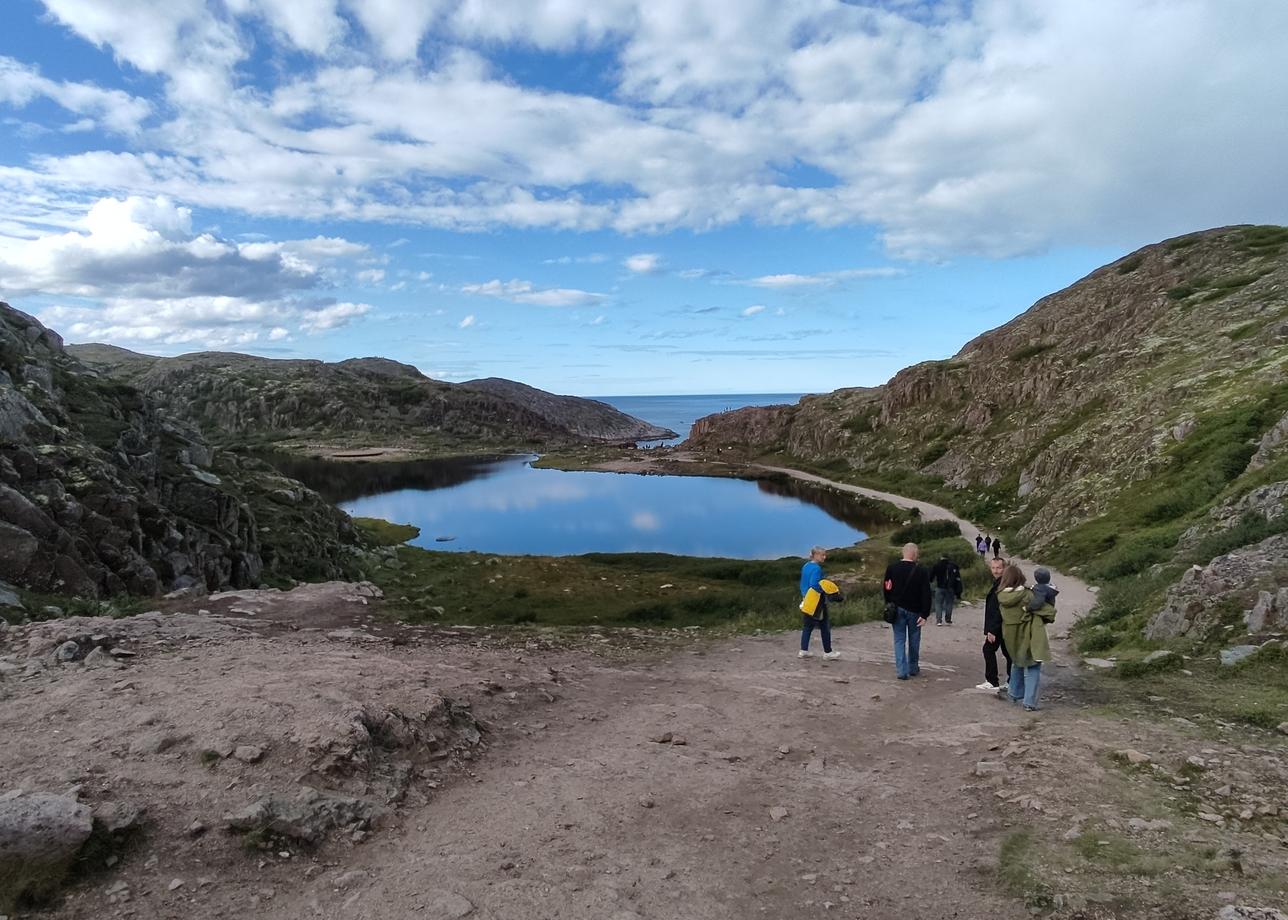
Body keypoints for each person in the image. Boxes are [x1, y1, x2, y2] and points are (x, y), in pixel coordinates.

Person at [997, 564, 1056, 711]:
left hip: (1011, 636)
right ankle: (1029, 702)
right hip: (1031, 635)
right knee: (1033, 666)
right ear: (1020, 578)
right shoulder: (1028, 595)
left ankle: (1013, 694)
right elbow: (1049, 612)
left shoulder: (1001, 597)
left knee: (1017, 662)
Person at [883, 543, 932, 680]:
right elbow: (926, 594)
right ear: (915, 554)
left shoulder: (892, 568)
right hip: (915, 611)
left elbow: (887, 588)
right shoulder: (921, 571)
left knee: (899, 640)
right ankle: (913, 668)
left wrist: (888, 603)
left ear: (903, 552)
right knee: (914, 640)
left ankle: (901, 671)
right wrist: (925, 614)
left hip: (897, 609)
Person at [975, 557, 1012, 690]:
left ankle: (992, 681)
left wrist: (992, 630)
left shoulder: (1002, 585)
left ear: (1004, 568)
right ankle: (1011, 681)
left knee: (989, 649)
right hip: (1002, 626)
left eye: (998, 568)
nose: (995, 571)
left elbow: (998, 610)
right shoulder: (1000, 583)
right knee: (1008, 653)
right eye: (993, 568)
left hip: (999, 627)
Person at [799, 546, 841, 660]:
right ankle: (828, 653)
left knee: (807, 626)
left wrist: (804, 595)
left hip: (806, 599)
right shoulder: (817, 569)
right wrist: (826, 591)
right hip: (817, 601)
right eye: (822, 555)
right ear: (815, 555)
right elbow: (815, 584)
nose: (824, 557)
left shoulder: (806, 566)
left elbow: (803, 582)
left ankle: (803, 650)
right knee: (824, 626)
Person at [928, 553, 963, 626]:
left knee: (938, 604)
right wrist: (958, 591)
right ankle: (948, 619)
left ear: (941, 557)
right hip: (950, 588)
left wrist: (931, 581)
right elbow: (958, 579)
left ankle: (939, 620)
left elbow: (931, 577)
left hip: (940, 587)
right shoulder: (953, 566)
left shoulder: (937, 565)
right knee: (949, 603)